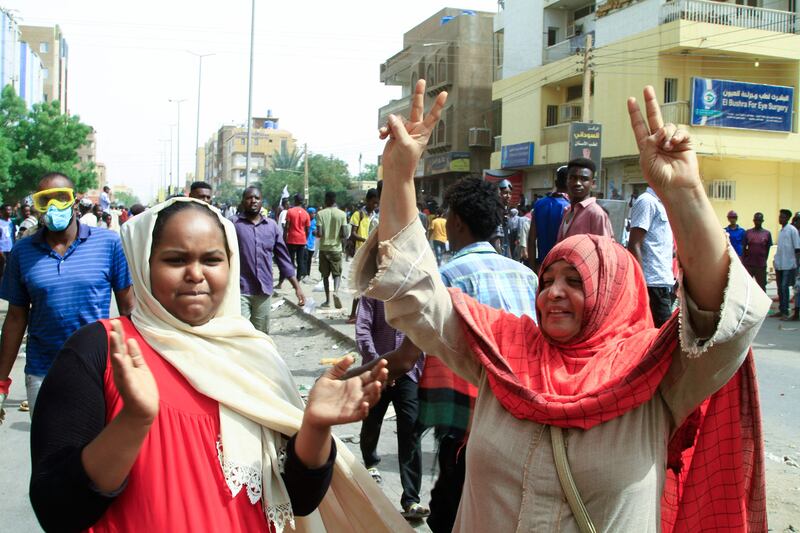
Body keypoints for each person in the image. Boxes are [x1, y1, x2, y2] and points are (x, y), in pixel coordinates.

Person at [351, 81, 768, 531]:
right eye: (547, 279)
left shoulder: (655, 375)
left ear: (614, 295)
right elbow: (415, 296)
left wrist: (684, 193)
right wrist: (398, 176)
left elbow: (722, 321)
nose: (552, 292)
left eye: (576, 282)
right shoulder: (501, 355)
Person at [28, 197, 411, 533]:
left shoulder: (255, 355)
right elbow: (58, 510)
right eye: (175, 260)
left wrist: (314, 425)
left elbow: (297, 500)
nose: (196, 274)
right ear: (143, 265)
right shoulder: (102, 350)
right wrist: (134, 421)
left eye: (212, 259)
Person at [416, 175, 538, 532]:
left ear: (455, 222)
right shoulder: (525, 275)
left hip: (472, 409)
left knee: (449, 504)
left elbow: (421, 347)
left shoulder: (448, 276)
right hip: (523, 404)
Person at [0, 173, 134, 415]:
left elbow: (128, 310)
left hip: (97, 369)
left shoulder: (108, 243)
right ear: (37, 206)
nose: (53, 207)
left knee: (97, 449)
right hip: (42, 371)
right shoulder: (23, 252)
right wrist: (1, 381)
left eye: (60, 198)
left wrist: (133, 365)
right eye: (45, 201)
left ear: (74, 201)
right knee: (47, 451)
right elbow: (15, 318)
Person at [355, 296, 427, 519]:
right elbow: (363, 330)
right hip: (378, 368)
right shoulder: (372, 294)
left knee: (411, 432)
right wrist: (380, 365)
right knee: (372, 419)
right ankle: (371, 462)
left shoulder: (416, 294)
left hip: (410, 372)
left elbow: (425, 329)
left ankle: (411, 499)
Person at [233, 187, 305, 335]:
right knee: (241, 334)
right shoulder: (233, 224)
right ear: (243, 201)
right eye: (249, 198)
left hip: (263, 290)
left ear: (261, 202)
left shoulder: (271, 226)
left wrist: (297, 287)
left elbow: (283, 259)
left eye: (257, 198)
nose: (253, 201)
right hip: (239, 290)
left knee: (260, 337)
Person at [627, 186, 676, 327]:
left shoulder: (662, 204)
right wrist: (640, 283)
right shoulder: (647, 201)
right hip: (651, 284)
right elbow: (634, 244)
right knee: (661, 337)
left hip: (663, 281)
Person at [556, 158, 614, 242]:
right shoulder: (567, 211)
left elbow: (604, 250)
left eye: (584, 179)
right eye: (573, 178)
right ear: (567, 180)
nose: (577, 183)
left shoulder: (596, 213)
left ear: (592, 183)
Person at [528, 166, 570, 271]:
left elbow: (531, 239)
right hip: (561, 268)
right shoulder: (569, 207)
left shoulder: (539, 204)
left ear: (556, 183)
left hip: (541, 266)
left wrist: (532, 268)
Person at [316, 192, 348, 309]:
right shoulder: (342, 214)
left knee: (325, 276)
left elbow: (319, 233)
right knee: (337, 274)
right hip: (336, 249)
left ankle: (327, 300)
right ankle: (336, 292)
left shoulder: (320, 214)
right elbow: (344, 234)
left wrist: (316, 233)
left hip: (324, 249)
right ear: (335, 200)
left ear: (326, 200)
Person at [773, 208, 800, 320]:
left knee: (784, 287)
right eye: (780, 216)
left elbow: (797, 248)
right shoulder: (781, 231)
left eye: (783, 217)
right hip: (779, 264)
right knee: (779, 287)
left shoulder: (792, 230)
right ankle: (781, 309)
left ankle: (786, 312)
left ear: (787, 218)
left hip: (789, 264)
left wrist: (796, 265)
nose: (780, 218)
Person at [742, 212, 772, 292]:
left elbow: (768, 249)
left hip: (761, 265)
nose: (757, 222)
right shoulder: (748, 232)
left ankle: (762, 304)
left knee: (761, 286)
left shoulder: (767, 233)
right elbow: (744, 247)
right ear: (753, 220)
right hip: (749, 264)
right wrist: (744, 261)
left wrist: (763, 259)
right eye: (756, 220)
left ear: (762, 221)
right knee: (746, 286)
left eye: (759, 220)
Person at [284, 194, 311, 282]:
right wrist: (305, 238)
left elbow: (287, 227)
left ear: (295, 201)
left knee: (290, 259)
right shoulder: (306, 213)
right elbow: (307, 229)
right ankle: (298, 279)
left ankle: (291, 277)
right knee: (300, 260)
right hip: (301, 240)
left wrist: (284, 237)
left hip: (291, 239)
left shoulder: (290, 211)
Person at [489, 179, 513, 257]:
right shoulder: (495, 212)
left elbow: (506, 241)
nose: (508, 196)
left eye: (510, 193)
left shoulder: (505, 211)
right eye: (505, 193)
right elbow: (496, 243)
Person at [0, 204, 15, 281]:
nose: (9, 212)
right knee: (2, 270)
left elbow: (13, 236)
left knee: (10, 270)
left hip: (11, 249)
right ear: (1, 212)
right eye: (7, 210)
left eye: (10, 210)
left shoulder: (11, 222)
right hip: (2, 251)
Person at [305, 207, 317, 281]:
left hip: (312, 243)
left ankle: (307, 273)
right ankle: (304, 273)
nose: (313, 214)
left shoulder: (315, 222)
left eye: (314, 213)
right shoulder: (306, 221)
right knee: (304, 259)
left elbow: (316, 232)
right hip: (305, 242)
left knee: (309, 259)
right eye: (312, 213)